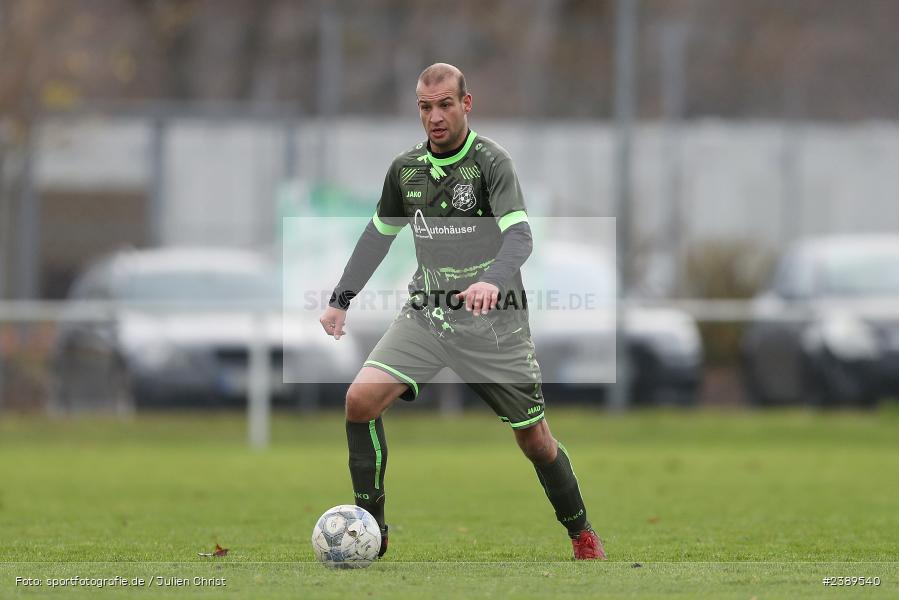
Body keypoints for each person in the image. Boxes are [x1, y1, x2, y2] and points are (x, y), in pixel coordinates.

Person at [318, 63, 605, 560]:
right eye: (425, 107)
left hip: (495, 326)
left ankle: (581, 533)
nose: (435, 116)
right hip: (428, 315)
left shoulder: (492, 164)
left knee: (535, 440)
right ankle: (372, 531)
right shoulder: (404, 171)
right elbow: (377, 237)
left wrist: (491, 282)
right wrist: (341, 299)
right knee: (359, 401)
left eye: (445, 104)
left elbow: (520, 235)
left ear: (465, 104)